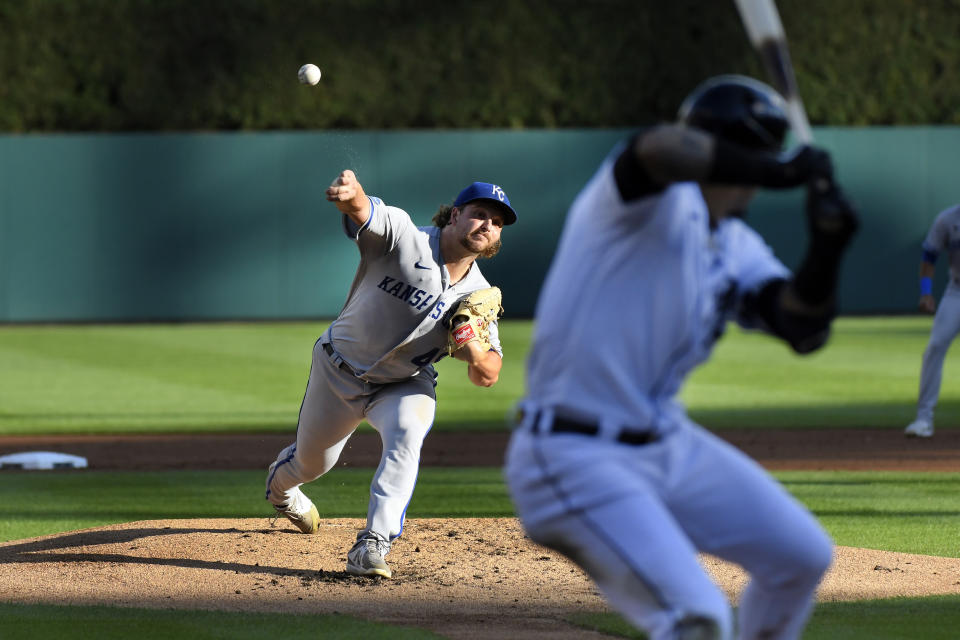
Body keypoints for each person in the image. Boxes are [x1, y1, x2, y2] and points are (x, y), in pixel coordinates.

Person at [504, 75, 858, 640]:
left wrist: (828, 247)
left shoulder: (735, 242)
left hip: (667, 444)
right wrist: (783, 171)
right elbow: (657, 148)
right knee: (695, 619)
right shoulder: (640, 201)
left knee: (801, 558)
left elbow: (800, 326)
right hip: (570, 453)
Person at [266, 169, 516, 578]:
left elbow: (487, 374)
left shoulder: (479, 296)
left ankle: (372, 545)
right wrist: (351, 197)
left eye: (497, 222)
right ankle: (281, 492)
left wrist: (472, 347)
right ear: (454, 216)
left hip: (404, 382)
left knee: (407, 434)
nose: (487, 224)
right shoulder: (404, 237)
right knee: (311, 465)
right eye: (479, 214)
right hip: (338, 369)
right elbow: (365, 212)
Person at [904, 203, 960, 438]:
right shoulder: (947, 219)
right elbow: (929, 256)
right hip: (956, 292)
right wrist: (926, 293)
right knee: (935, 346)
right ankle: (923, 419)